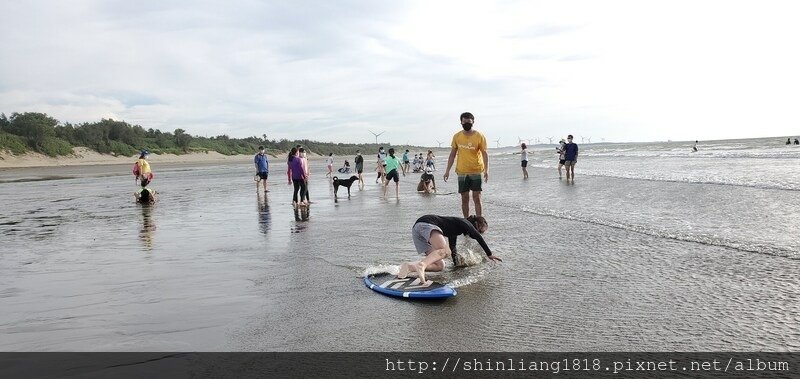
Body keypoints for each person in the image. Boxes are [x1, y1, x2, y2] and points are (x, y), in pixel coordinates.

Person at [397, 215, 501, 284]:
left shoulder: (455, 229)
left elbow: (453, 249)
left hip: (417, 230)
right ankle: (422, 265)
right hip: (425, 224)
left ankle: (409, 267)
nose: (477, 233)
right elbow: (478, 237)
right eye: (480, 231)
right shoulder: (465, 222)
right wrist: (489, 254)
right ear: (476, 225)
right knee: (444, 251)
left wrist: (457, 266)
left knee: (440, 265)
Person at [443, 112, 489, 218]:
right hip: (462, 171)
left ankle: (479, 221)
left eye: (469, 122)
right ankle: (466, 221)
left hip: (476, 170)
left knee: (477, 197)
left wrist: (487, 170)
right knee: (464, 197)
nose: (466, 124)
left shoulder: (479, 136)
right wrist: (447, 171)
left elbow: (485, 154)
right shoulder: (457, 136)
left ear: (473, 122)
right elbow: (452, 155)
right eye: (464, 122)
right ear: (461, 122)